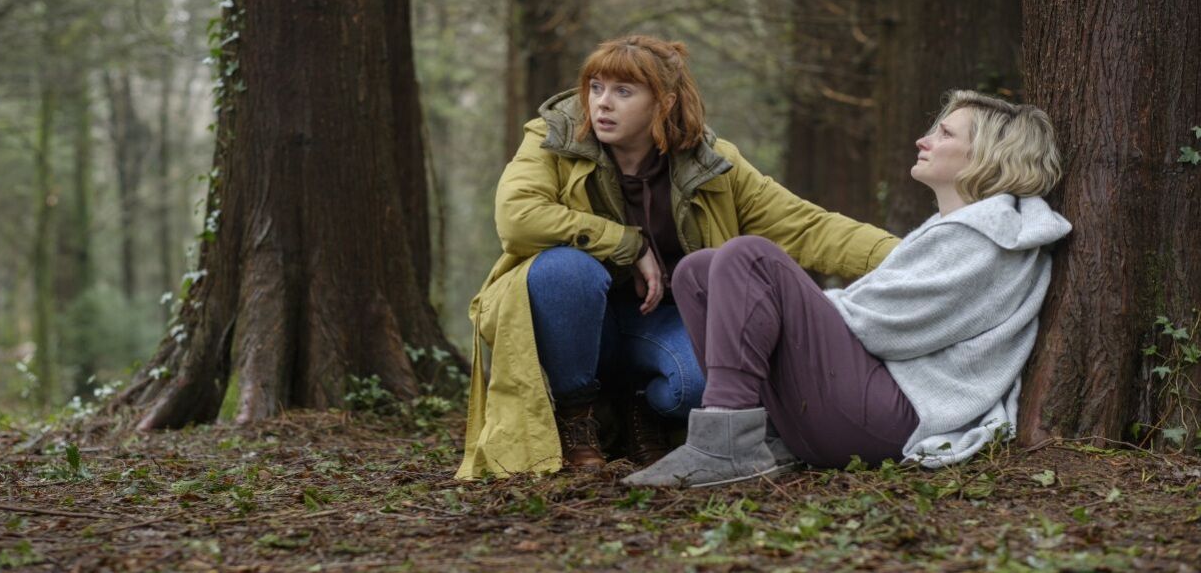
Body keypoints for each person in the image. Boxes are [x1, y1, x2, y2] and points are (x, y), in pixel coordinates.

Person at [457, 35, 898, 479]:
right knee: (564, 272)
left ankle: (640, 410)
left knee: (702, 387)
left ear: (663, 103)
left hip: (663, 322)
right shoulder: (554, 137)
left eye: (623, 91)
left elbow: (806, 227)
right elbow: (518, 216)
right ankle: (578, 418)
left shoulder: (712, 164)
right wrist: (628, 244)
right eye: (596, 87)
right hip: (579, 318)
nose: (602, 103)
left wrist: (911, 255)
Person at [623, 90, 1070, 488]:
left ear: (986, 157)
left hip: (895, 416)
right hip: (864, 409)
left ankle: (724, 441)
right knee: (699, 270)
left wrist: (795, 303)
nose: (924, 140)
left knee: (750, 256)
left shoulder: (984, 239)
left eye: (945, 134)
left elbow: (882, 328)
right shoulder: (970, 231)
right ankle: (759, 438)